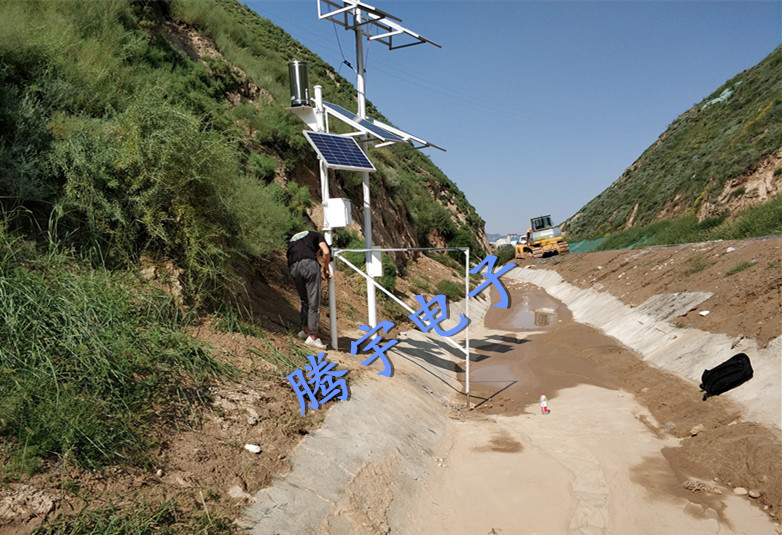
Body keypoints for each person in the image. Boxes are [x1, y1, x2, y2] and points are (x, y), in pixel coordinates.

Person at [287, 229, 331, 350]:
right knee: (313, 302)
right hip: (309, 265)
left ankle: (304, 331)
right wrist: (326, 268)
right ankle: (312, 337)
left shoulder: (294, 240)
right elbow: (326, 252)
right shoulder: (316, 235)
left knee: (304, 300)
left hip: (293, 267)